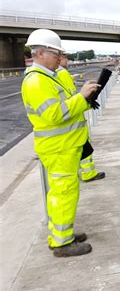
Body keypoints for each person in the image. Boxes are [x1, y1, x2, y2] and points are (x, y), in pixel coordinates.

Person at [21, 29, 100, 257]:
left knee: (63, 192)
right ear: (42, 53)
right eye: (56, 53)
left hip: (64, 146)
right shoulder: (36, 82)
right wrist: (81, 96)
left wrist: (86, 101)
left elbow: (67, 109)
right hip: (58, 148)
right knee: (63, 192)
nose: (59, 57)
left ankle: (61, 234)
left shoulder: (48, 77)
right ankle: (62, 243)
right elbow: (55, 114)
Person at [57, 55, 105, 182]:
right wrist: (86, 99)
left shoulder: (54, 74)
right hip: (73, 124)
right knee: (84, 149)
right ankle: (88, 173)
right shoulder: (62, 73)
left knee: (81, 150)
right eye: (65, 58)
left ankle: (86, 172)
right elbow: (72, 98)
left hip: (69, 125)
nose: (66, 60)